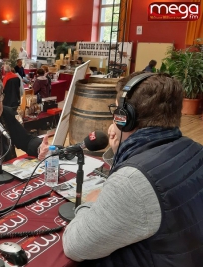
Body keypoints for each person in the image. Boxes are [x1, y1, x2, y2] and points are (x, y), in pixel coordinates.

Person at [62, 72, 203, 266]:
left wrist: (90, 203)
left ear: (124, 118)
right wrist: (120, 151)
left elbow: (75, 245)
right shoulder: (195, 150)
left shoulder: (131, 182)